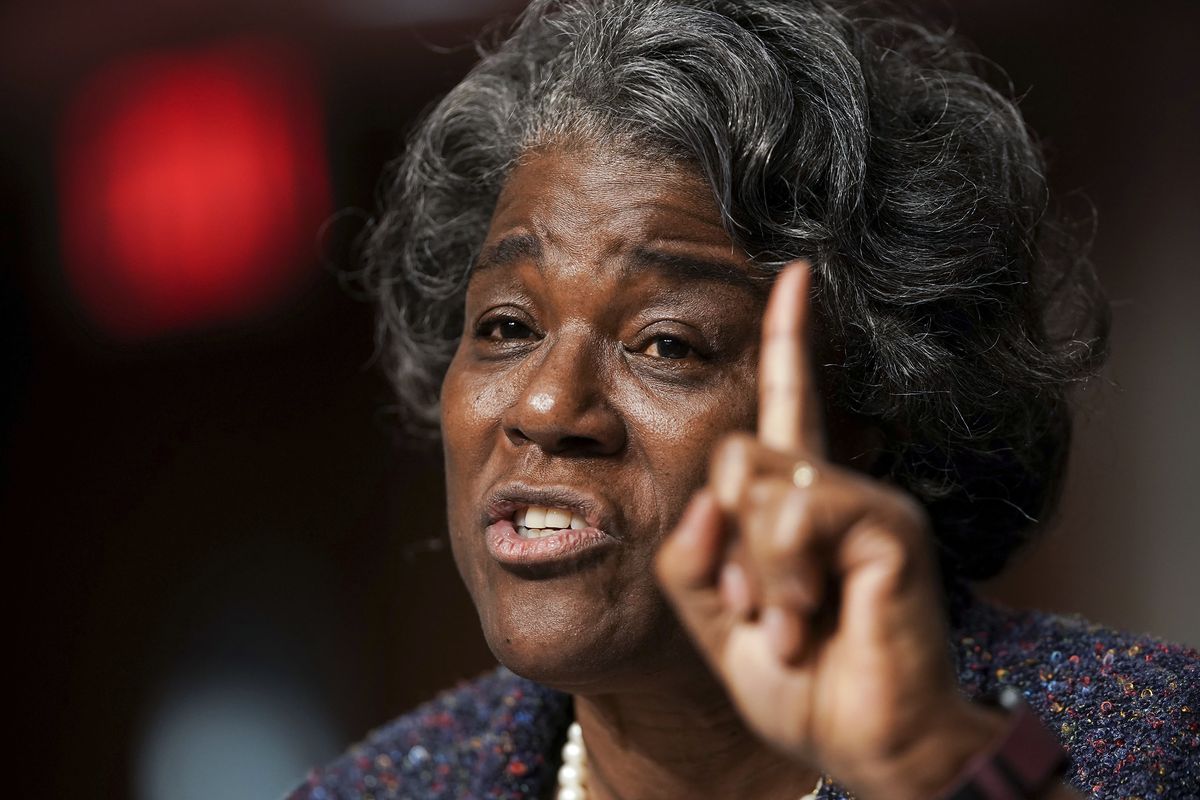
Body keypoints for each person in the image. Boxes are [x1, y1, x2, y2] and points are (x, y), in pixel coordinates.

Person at [289, 1, 1199, 798]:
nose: (546, 405)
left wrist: (934, 767)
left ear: (869, 410)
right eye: (507, 328)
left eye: (666, 344)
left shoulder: (1153, 751)